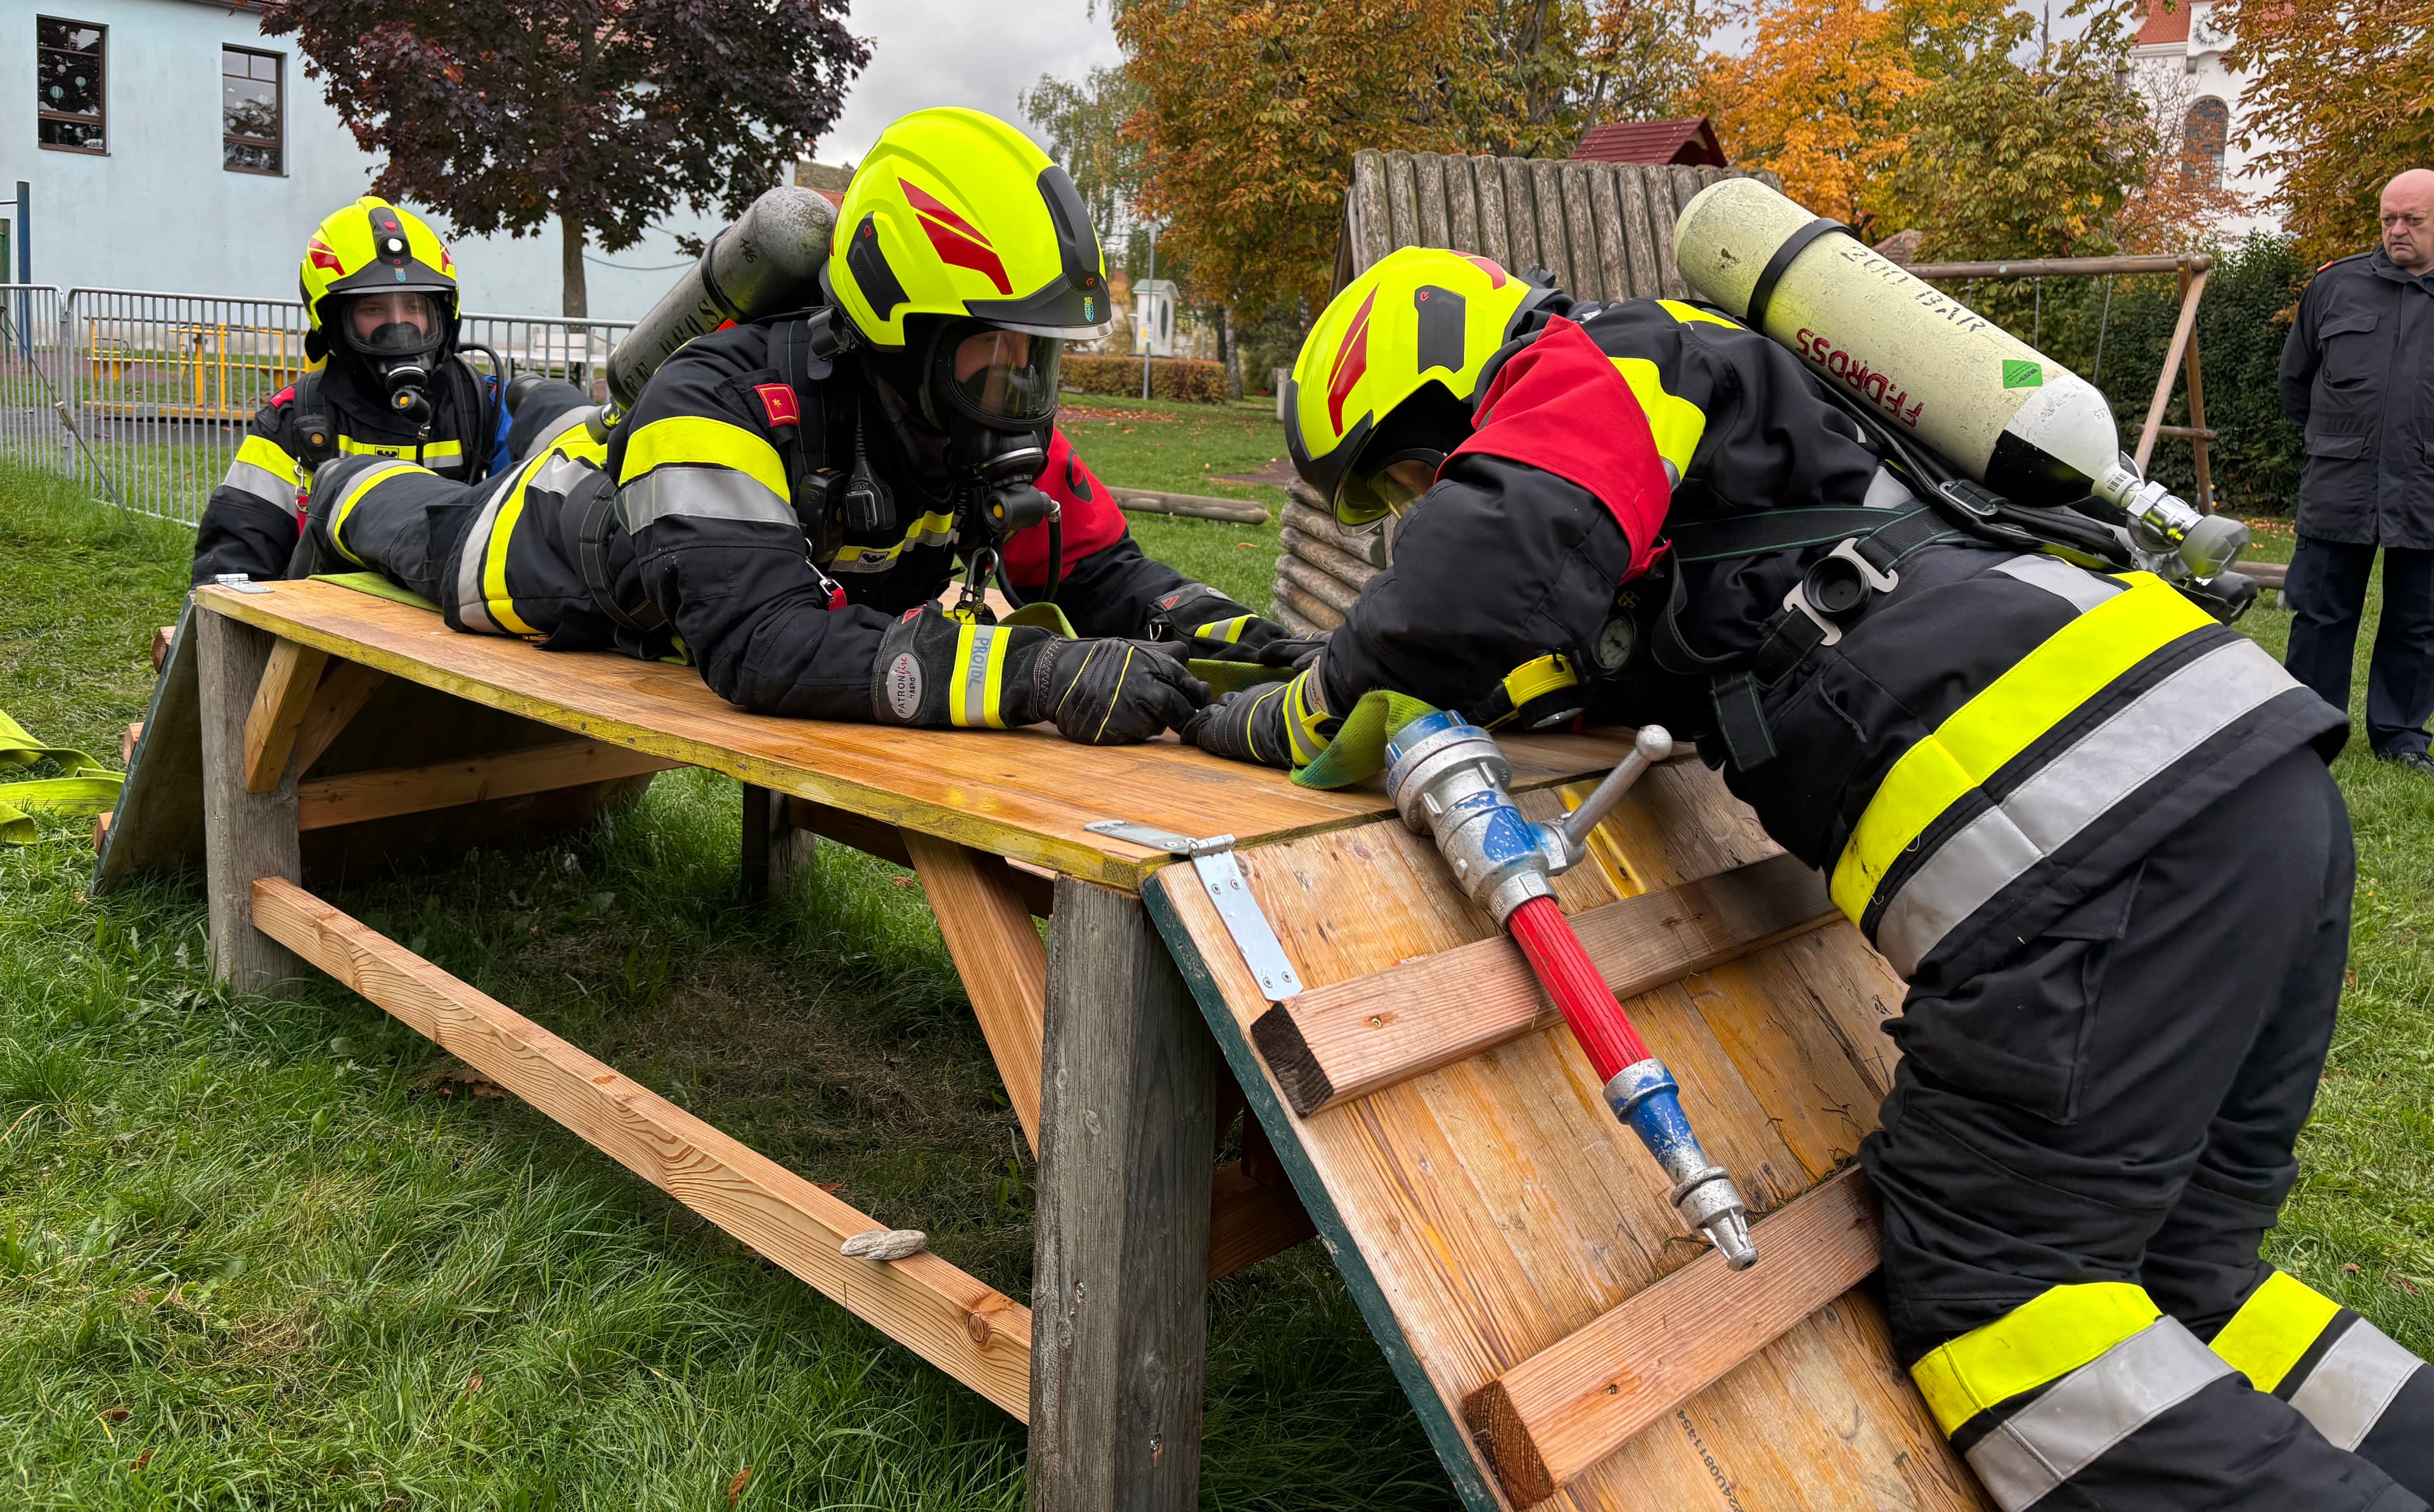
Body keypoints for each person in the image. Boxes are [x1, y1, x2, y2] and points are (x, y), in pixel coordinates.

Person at [1188, 245, 2434, 1511]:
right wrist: (1273, 673)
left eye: (1413, 470)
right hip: (2249, 775)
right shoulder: (1731, 450)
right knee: (2183, 1279)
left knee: (2006, 1314)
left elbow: (1491, 564)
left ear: (1450, 391)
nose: (1426, 500)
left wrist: (1311, 706)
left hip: (2099, 855)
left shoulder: (1618, 356)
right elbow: (1525, 655)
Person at [297, 108, 1284, 747]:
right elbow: (765, 645)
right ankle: (339, 487)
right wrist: (1033, 670)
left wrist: (1274, 650)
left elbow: (1106, 574)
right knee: (401, 515)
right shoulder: (715, 397)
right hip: (542, 547)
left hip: (669, 545)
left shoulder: (975, 417)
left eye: (1041, 356)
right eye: (1000, 348)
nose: (1025, 385)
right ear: (903, 330)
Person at [191, 197, 510, 585]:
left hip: (451, 632)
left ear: (443, 316)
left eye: (414, 307)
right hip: (326, 634)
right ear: (333, 326)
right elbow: (232, 568)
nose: (400, 328)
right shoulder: (294, 420)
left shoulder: (486, 409)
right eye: (373, 310)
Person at [2281, 167, 2434, 774]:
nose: (2397, 231)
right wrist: (2335, 441)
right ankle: (2309, 730)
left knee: (2419, 619)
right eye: (2388, 220)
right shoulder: (2335, 287)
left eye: (2413, 221)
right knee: (2320, 611)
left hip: (2427, 485)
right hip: (2339, 482)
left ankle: (2401, 737)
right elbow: (2297, 382)